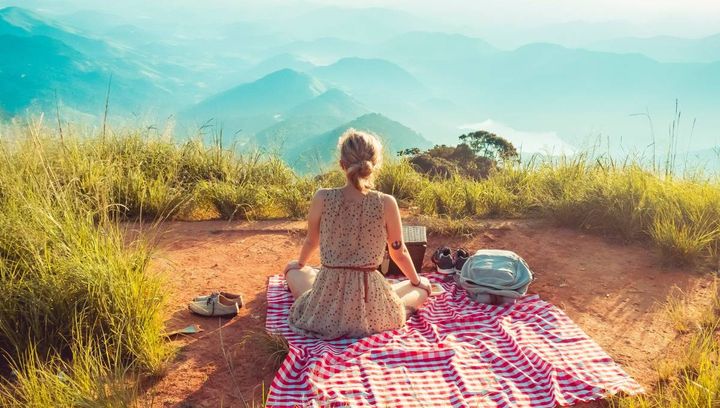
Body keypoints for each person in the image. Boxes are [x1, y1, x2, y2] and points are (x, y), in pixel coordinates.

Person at [283, 128, 432, 340]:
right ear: (374, 165)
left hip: (327, 300)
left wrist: (299, 263)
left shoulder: (322, 197)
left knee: (293, 271)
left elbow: (311, 241)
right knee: (420, 287)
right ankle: (416, 289)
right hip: (370, 302)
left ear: (342, 164)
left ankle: (310, 285)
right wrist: (417, 281)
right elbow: (399, 252)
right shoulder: (386, 202)